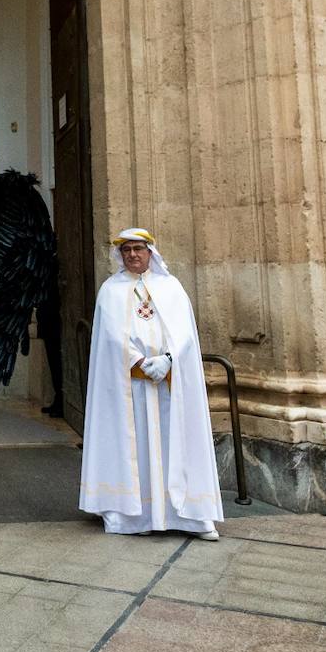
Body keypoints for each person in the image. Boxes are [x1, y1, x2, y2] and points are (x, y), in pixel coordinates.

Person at [80, 227, 222, 539]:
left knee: (176, 444)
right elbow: (111, 335)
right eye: (127, 249)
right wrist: (141, 361)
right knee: (134, 447)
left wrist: (169, 358)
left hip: (170, 383)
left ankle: (190, 516)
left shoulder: (171, 287)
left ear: (150, 252)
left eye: (139, 249)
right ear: (120, 254)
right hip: (130, 385)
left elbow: (185, 330)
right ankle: (132, 517)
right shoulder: (110, 290)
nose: (133, 255)